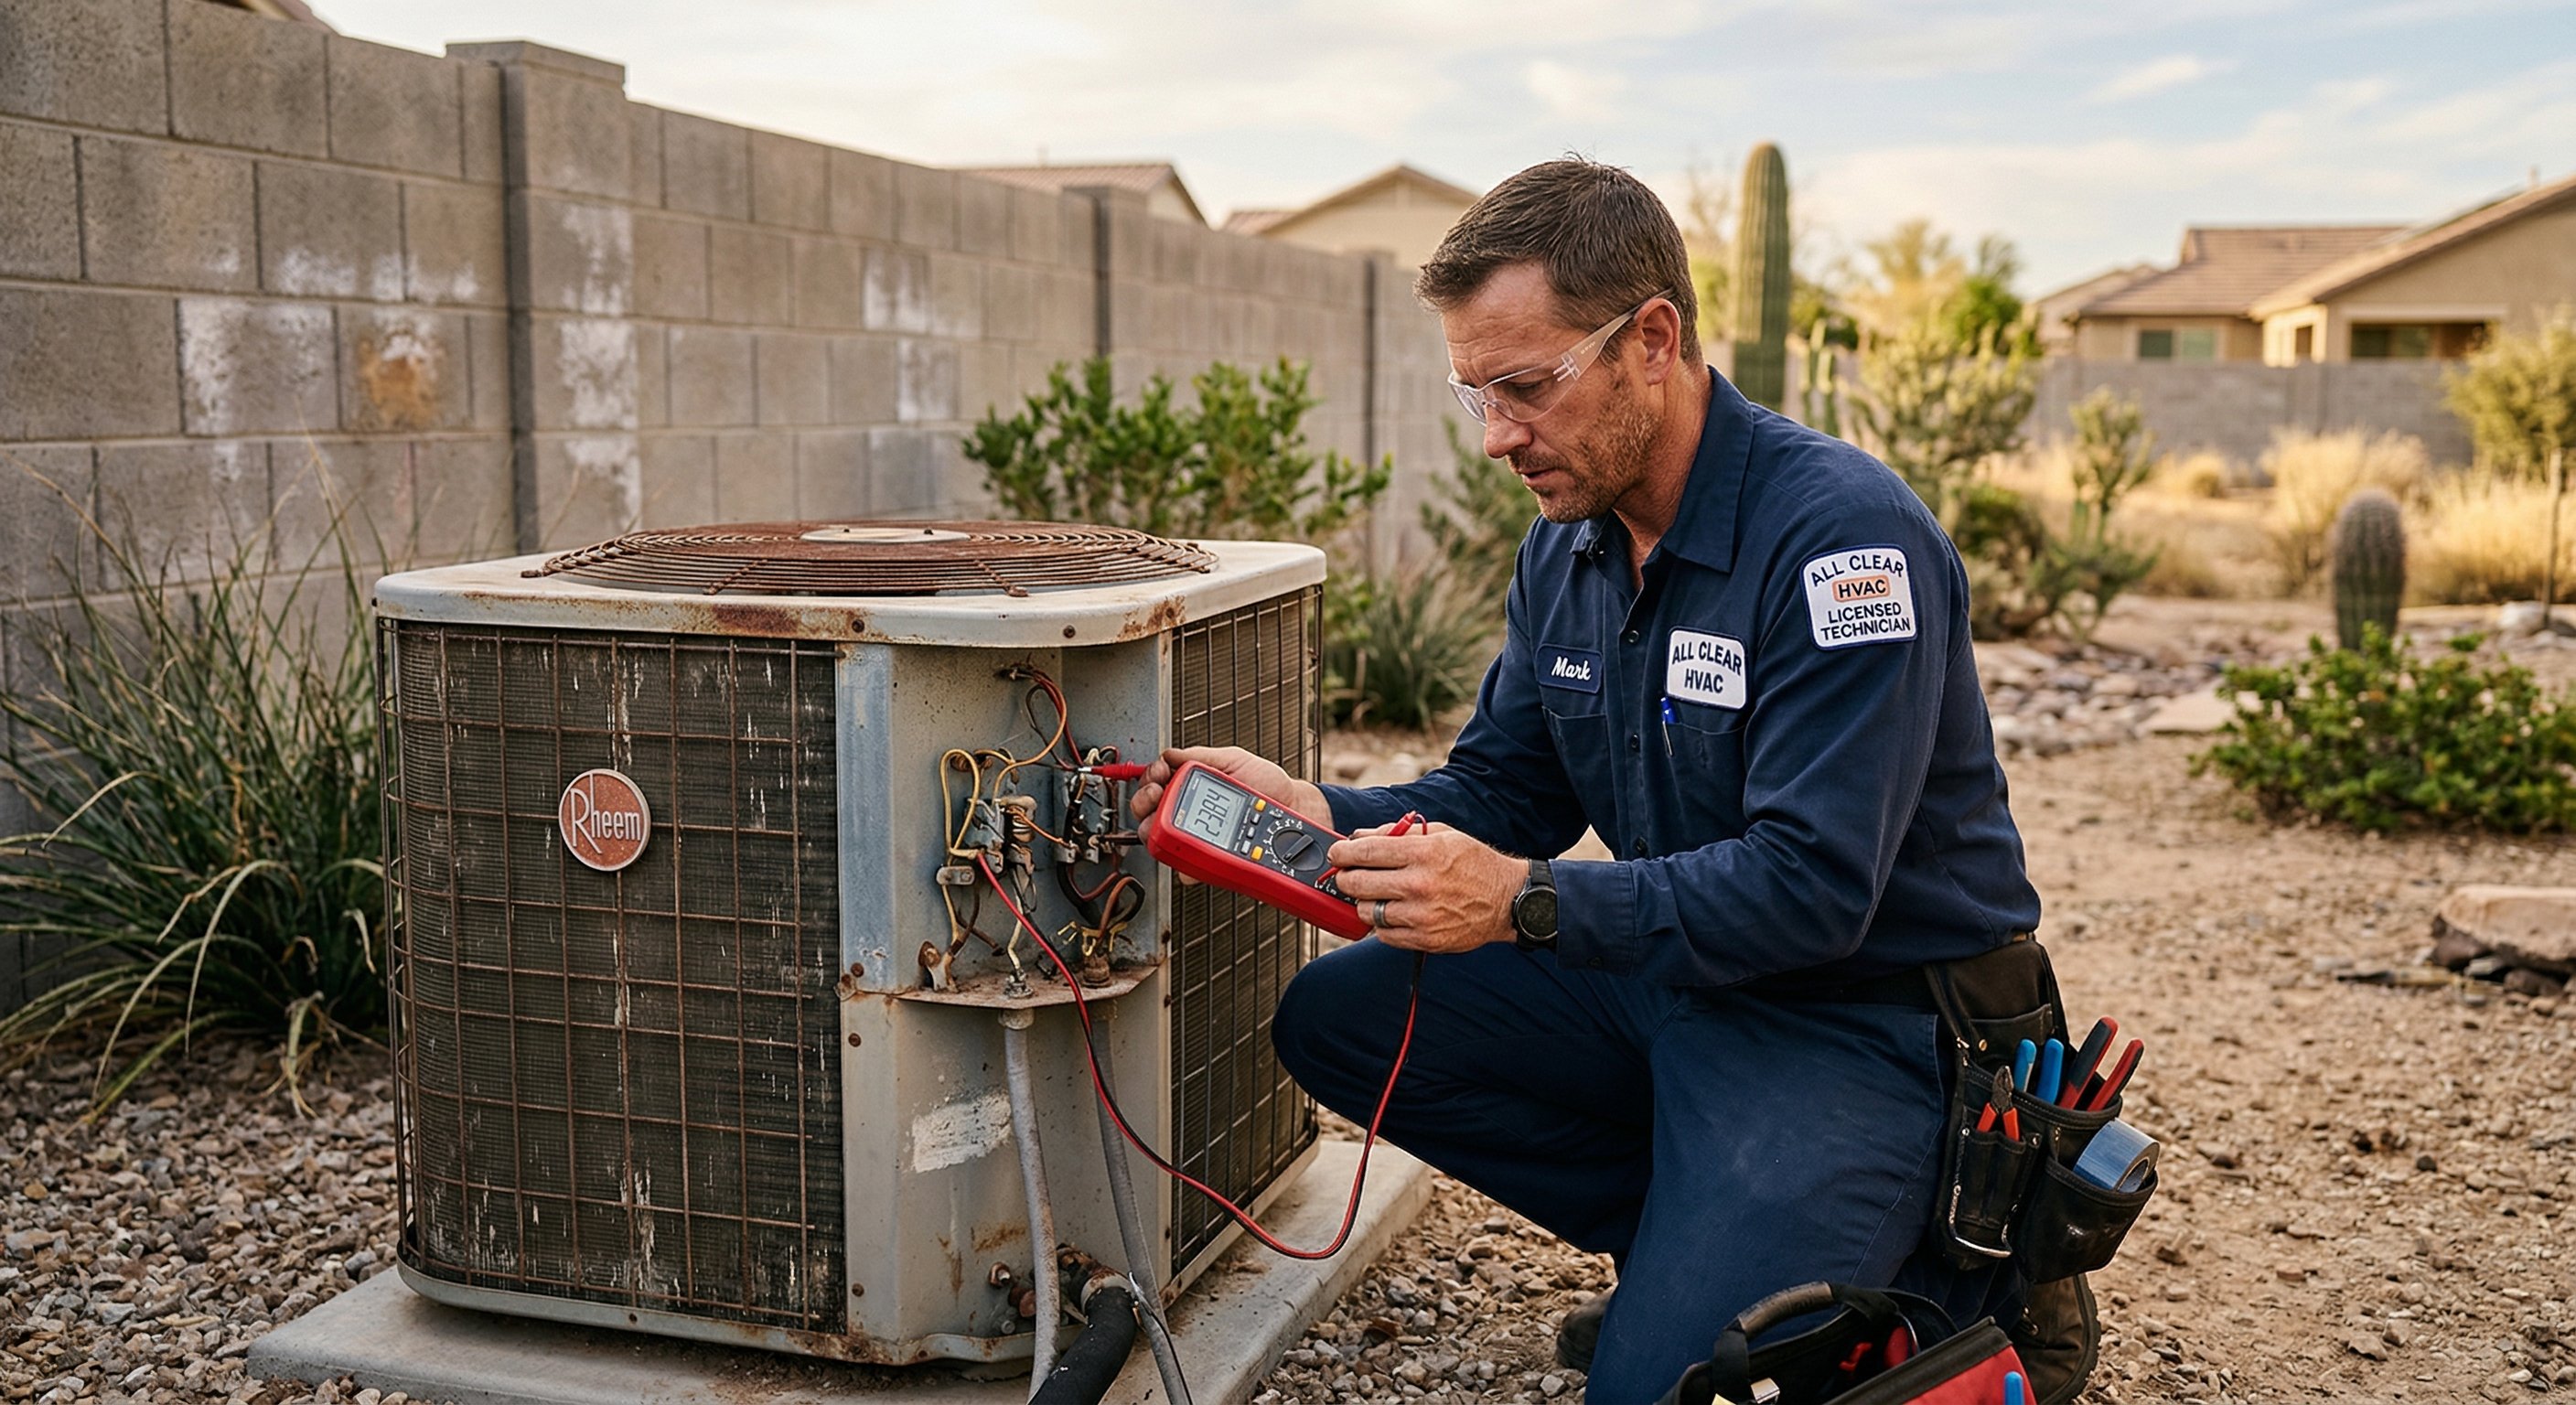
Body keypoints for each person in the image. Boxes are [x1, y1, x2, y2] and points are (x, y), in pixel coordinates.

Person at [1126, 158, 2042, 1403]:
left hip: (1861, 1025)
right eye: (1474, 396)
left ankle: (1956, 1274)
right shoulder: (1568, 548)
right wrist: (1318, 816)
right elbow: (1506, 792)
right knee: (1337, 1019)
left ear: (1651, 340)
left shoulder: (1841, 543)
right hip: (1683, 983)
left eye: (1526, 386)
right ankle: (1697, 1241)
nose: (1500, 435)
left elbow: (1814, 888)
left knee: (1651, 1395)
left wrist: (1523, 903)